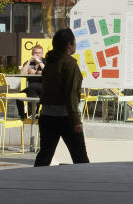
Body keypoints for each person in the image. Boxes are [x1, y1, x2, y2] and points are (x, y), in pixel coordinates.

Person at [33, 28, 90, 166]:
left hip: (47, 115)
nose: (75, 44)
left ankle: (34, 181)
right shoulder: (70, 64)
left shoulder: (50, 63)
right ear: (69, 45)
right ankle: (87, 184)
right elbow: (71, 95)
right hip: (66, 117)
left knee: (45, 155)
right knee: (80, 157)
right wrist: (76, 121)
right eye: (74, 41)